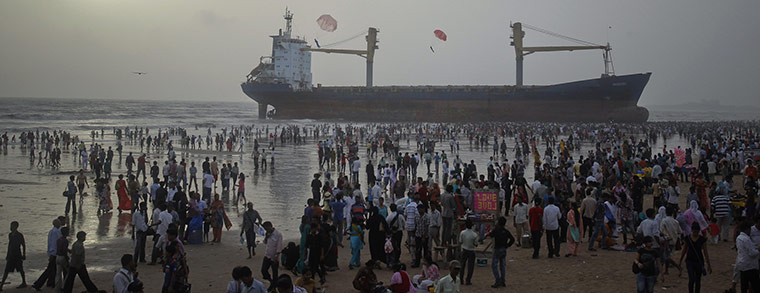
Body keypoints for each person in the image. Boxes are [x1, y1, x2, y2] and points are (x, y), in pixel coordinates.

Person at [678, 222, 712, 293]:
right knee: (692, 279)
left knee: (698, 280)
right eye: (694, 231)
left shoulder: (702, 240)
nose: (695, 233)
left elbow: (705, 252)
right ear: (692, 230)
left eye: (696, 231)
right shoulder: (688, 238)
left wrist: (708, 264)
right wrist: (680, 261)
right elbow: (684, 250)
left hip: (698, 261)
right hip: (690, 260)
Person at [31, 219, 61, 290]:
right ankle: (38, 284)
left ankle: (49, 283)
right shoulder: (55, 232)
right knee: (49, 270)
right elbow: (54, 244)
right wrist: (53, 254)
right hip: (54, 253)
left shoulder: (52, 231)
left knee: (52, 269)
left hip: (53, 253)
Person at [486, 216, 514, 287]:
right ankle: (503, 281)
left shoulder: (496, 230)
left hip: (497, 249)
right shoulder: (506, 231)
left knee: (494, 265)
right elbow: (512, 239)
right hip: (503, 249)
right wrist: (507, 245)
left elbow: (490, 235)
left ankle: (497, 280)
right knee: (502, 265)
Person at [0, 221, 27, 291]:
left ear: (16, 227)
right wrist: (7, 255)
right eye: (10, 226)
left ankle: (24, 282)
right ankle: (1, 285)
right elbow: (10, 245)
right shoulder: (10, 235)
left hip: (17, 255)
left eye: (12, 226)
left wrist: (24, 254)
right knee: (6, 270)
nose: (11, 228)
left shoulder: (19, 235)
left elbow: (23, 245)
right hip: (11, 256)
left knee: (20, 269)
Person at [735, 221, 760, 293]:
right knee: (756, 286)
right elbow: (752, 253)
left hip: (742, 264)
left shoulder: (739, 238)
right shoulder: (746, 239)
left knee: (744, 286)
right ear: (747, 229)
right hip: (750, 266)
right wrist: (758, 249)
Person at [262, 221, 283, 291]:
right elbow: (265, 242)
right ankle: (271, 281)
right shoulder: (268, 234)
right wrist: (266, 237)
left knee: (275, 273)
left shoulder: (278, 234)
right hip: (267, 255)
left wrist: (276, 257)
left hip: (274, 257)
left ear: (270, 226)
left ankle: (274, 288)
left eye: (266, 228)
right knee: (263, 270)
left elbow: (279, 246)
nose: (266, 230)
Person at [458, 219, 477, 285]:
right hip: (471, 250)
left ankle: (461, 279)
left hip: (464, 249)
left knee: (462, 265)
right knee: (470, 266)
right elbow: (476, 244)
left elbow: (460, 241)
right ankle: (468, 280)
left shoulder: (462, 233)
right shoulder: (474, 235)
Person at [55, 227, 70, 292]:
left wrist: (68, 250)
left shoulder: (58, 240)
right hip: (62, 257)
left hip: (57, 257)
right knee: (68, 272)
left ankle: (57, 288)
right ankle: (64, 286)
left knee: (58, 274)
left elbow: (60, 248)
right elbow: (64, 251)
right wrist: (67, 258)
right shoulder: (65, 241)